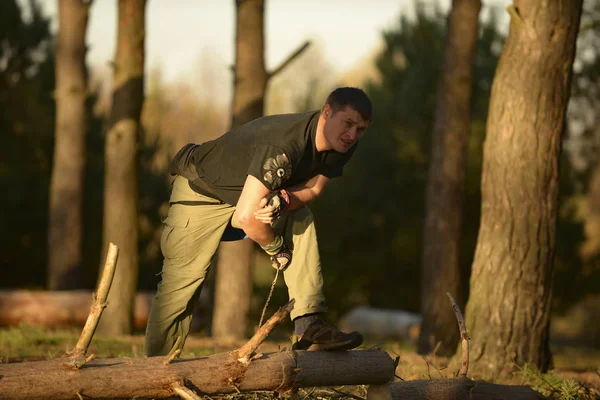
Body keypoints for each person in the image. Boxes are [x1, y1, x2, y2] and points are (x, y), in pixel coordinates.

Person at [144, 87, 372, 357]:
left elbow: (313, 189)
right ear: (326, 112)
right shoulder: (284, 146)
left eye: (360, 129)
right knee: (182, 286)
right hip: (201, 192)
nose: (352, 135)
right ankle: (156, 370)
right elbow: (246, 217)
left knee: (299, 216)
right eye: (348, 123)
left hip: (247, 196)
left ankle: (308, 323)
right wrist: (277, 248)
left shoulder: (341, 143)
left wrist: (283, 202)